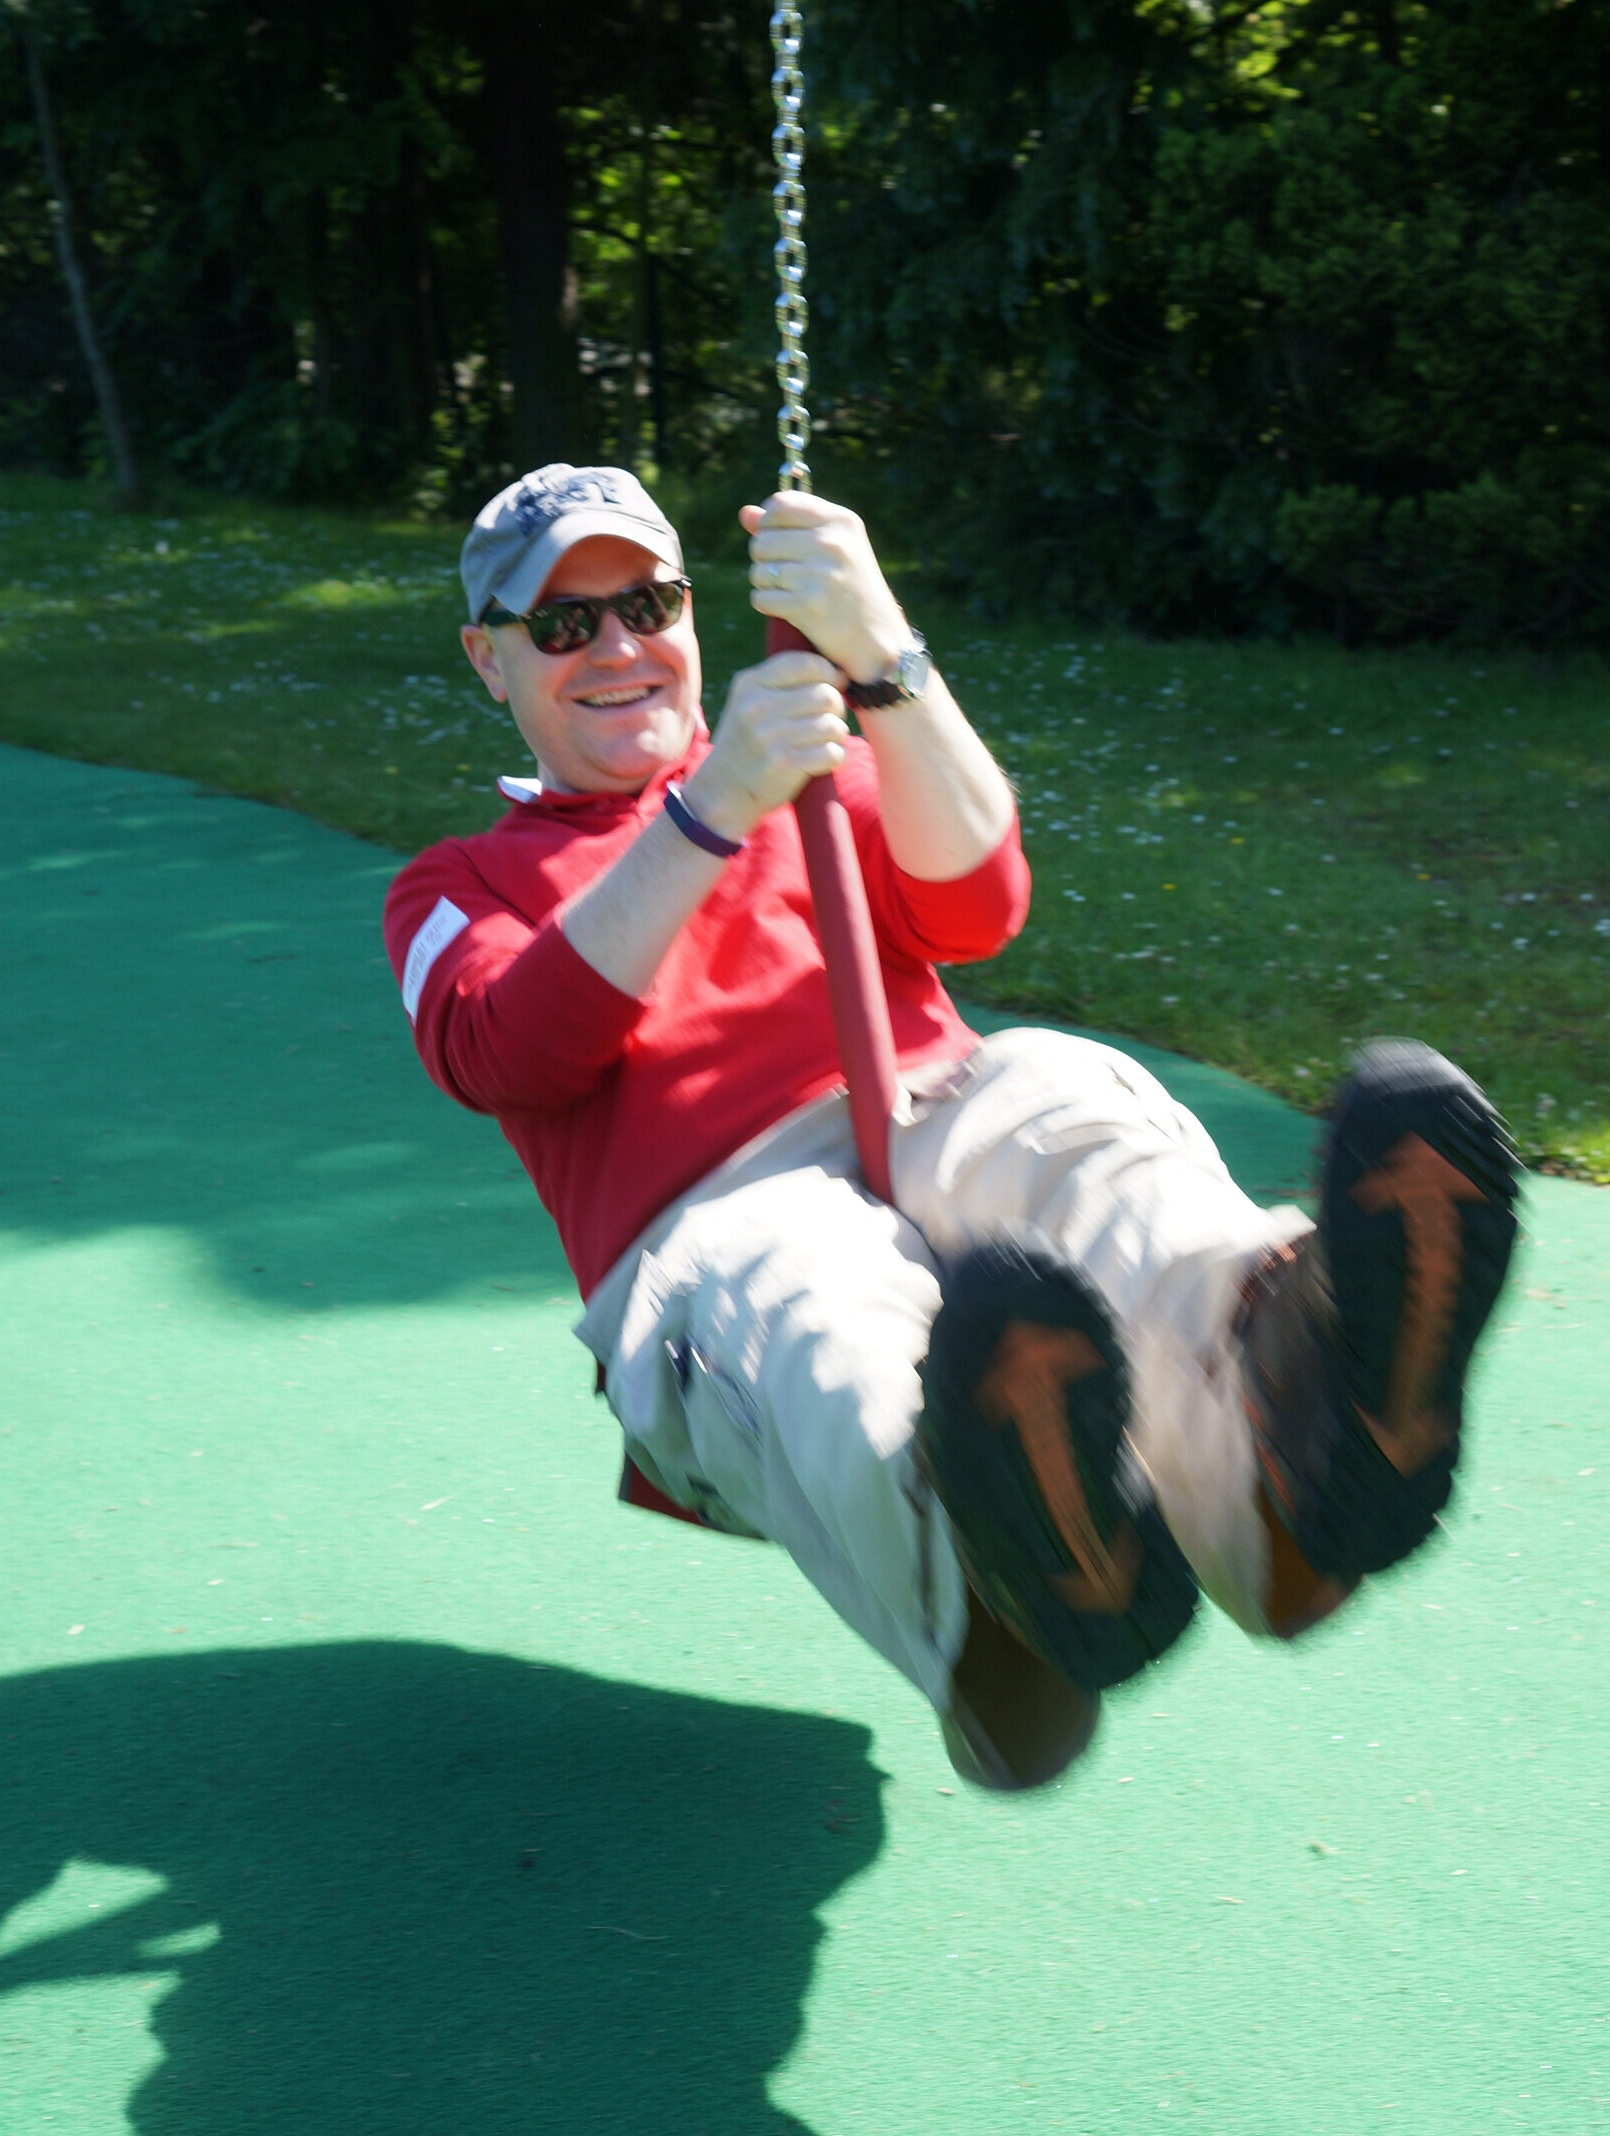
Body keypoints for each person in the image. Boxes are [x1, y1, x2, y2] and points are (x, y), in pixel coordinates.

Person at [384, 463, 1519, 1792]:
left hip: (930, 1105)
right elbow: (505, 1046)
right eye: (564, 624)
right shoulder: (459, 885)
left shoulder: (813, 766)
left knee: (1057, 1100)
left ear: (689, 611)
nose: (620, 648)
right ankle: (1016, 1585)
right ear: (490, 660)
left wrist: (881, 649)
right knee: (811, 1302)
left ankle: (1295, 1416)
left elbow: (979, 900)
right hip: (710, 1213)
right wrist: (714, 806)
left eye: (648, 604)